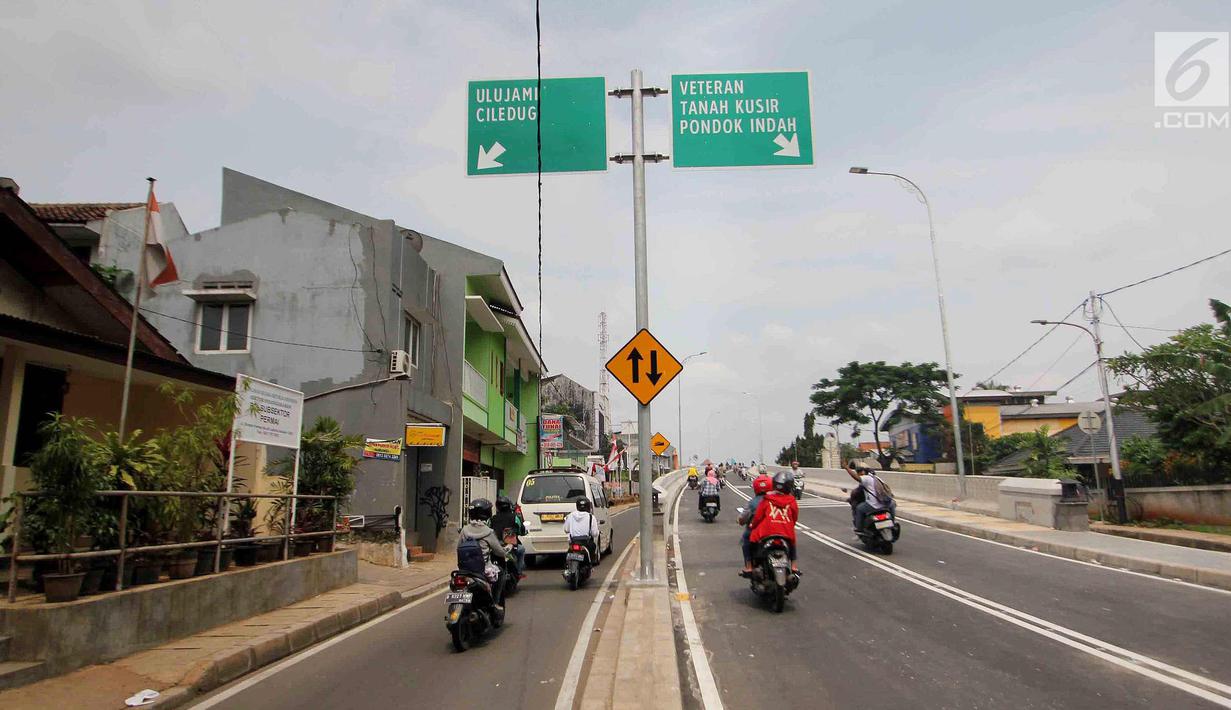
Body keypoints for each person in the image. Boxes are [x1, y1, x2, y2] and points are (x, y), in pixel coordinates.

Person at [458, 498, 511, 608]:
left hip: (465, 570)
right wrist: (506, 549)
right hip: (484, 570)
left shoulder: (464, 530)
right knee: (500, 572)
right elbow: (499, 552)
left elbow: (458, 548)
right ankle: (495, 602)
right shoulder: (488, 532)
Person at [749, 471, 801, 573]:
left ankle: (751, 565)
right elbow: (794, 518)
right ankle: (794, 565)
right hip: (786, 532)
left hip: (767, 532)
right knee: (792, 541)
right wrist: (789, 525)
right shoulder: (792, 501)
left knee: (752, 539)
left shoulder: (767, 499)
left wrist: (753, 525)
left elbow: (758, 517)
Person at [844, 460, 896, 533]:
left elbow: (856, 488)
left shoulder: (866, 478)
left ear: (865, 472)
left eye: (861, 471)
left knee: (859, 509)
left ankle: (859, 529)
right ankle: (893, 523)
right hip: (885, 504)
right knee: (893, 504)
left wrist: (847, 468)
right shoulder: (877, 479)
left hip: (873, 505)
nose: (860, 473)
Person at [739, 473, 774, 575]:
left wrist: (740, 520)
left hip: (757, 532)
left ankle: (749, 566)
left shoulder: (752, 503)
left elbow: (743, 518)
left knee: (745, 539)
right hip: (774, 529)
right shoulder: (775, 499)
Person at [490, 496, 527, 578]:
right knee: (521, 550)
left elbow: (489, 531)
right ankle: (519, 572)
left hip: (496, 546)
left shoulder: (492, 519)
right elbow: (521, 530)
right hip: (510, 546)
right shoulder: (515, 517)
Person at [563, 498, 601, 564]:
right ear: (588, 506)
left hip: (573, 541)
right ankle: (590, 565)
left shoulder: (570, 515)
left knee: (569, 554)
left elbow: (566, 529)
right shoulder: (591, 517)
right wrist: (598, 532)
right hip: (586, 543)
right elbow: (594, 533)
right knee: (593, 546)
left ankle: (568, 568)